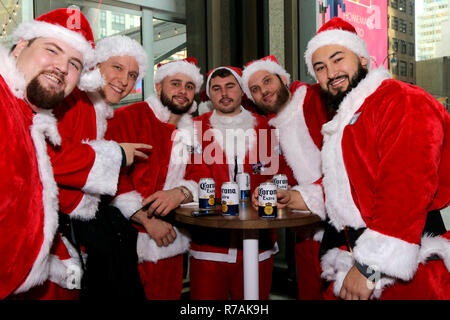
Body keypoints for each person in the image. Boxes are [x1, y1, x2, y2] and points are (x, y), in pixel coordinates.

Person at [300, 17, 449, 300]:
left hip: (408, 265)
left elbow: (407, 185)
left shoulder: (400, 99)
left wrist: (370, 266)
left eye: (337, 59)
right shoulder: (348, 118)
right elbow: (351, 180)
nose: (331, 72)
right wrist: (298, 196)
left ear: (363, 59)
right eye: (320, 67)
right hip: (353, 255)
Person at [18, 33, 151, 300]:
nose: (124, 81)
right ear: (95, 65)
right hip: (54, 229)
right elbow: (45, 155)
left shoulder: (99, 108)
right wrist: (115, 154)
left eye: (133, 75)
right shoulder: (71, 99)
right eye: (117, 67)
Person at [1, 8, 95, 299]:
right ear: (20, 48)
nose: (61, 67)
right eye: (52, 50)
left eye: (74, 63)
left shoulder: (27, 115)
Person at [106, 57, 204, 299]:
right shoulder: (127, 117)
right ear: (158, 87)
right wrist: (147, 220)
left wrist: (180, 192)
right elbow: (111, 178)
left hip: (173, 237)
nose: (183, 91)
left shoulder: (192, 131)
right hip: (127, 241)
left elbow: (202, 174)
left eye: (190, 86)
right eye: (176, 84)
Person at [188, 66, 279, 300]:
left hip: (259, 243)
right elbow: (189, 175)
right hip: (209, 245)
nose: (224, 93)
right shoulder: (193, 128)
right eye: (216, 88)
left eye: (230, 86)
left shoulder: (266, 127)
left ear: (242, 91)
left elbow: (278, 175)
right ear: (209, 95)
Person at [243, 55, 330, 300]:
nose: (264, 91)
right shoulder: (269, 130)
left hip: (345, 230)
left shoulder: (316, 99)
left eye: (267, 81)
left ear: (283, 79)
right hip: (305, 231)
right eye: (255, 90)